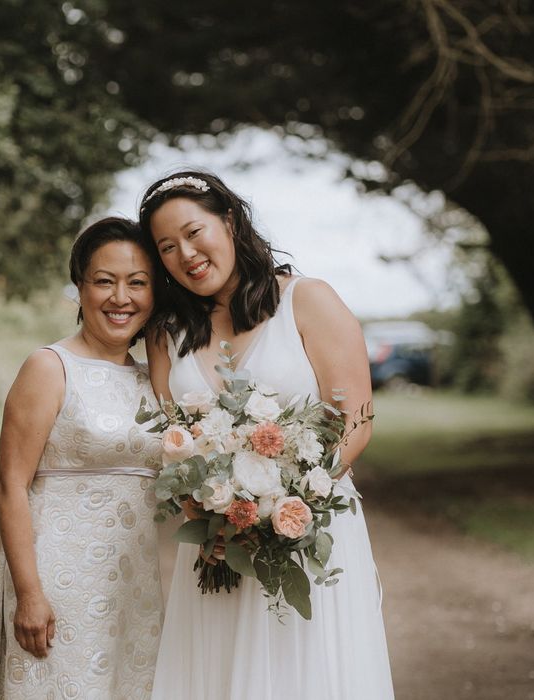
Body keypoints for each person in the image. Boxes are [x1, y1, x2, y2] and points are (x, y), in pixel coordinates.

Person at [139, 172, 395, 699]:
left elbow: (358, 420)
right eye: (167, 247)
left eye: (194, 232)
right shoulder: (166, 333)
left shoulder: (308, 299)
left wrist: (291, 502)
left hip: (303, 526)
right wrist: (202, 510)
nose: (185, 253)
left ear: (229, 221)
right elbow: (174, 440)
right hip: (216, 542)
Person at [0, 217, 164, 700]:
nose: (120, 298)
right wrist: (30, 593)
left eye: (137, 283)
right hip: (59, 581)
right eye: (104, 281)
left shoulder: (155, 379)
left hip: (136, 584)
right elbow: (9, 485)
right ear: (79, 288)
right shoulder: (50, 367)